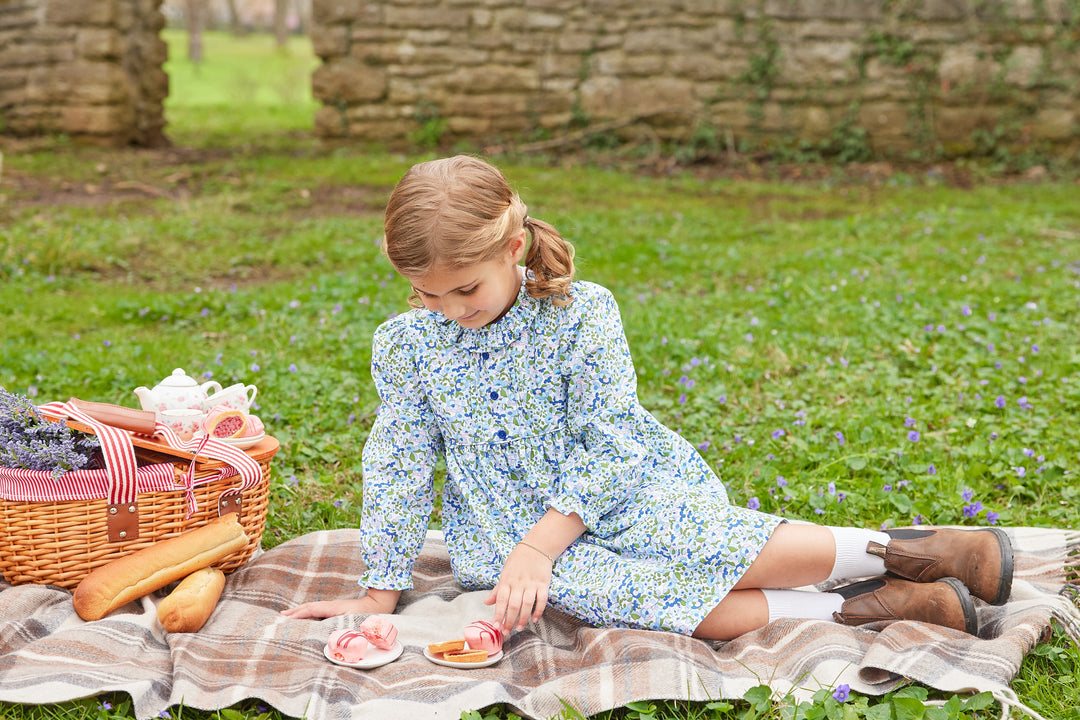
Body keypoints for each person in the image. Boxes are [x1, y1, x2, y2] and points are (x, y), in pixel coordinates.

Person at [282, 155, 1012, 641]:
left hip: (619, 487)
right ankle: (874, 606)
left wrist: (545, 543)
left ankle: (911, 551)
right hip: (505, 532)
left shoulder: (580, 313)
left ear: (511, 249)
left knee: (700, 540)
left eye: (464, 289)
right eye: (424, 293)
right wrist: (382, 589)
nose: (446, 309)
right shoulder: (407, 344)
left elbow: (610, 438)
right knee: (623, 593)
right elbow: (400, 462)